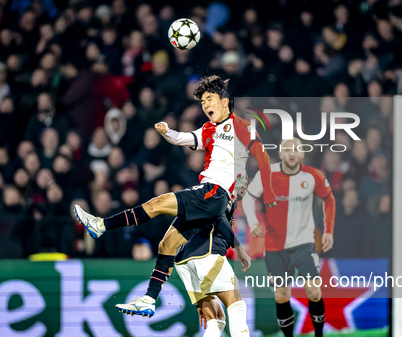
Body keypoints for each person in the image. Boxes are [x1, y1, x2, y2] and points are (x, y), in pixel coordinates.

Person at [75, 76, 276, 317]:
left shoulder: (241, 126)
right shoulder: (208, 129)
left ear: (225, 101)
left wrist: (270, 191)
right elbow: (183, 138)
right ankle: (149, 299)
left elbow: (262, 156)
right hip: (211, 200)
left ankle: (101, 225)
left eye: (209, 100)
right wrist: (167, 131)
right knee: (167, 244)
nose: (205, 106)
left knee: (157, 203)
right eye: (202, 102)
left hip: (214, 192)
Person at [242, 138, 336, 337]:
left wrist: (328, 231)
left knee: (313, 290)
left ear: (302, 154)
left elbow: (329, 200)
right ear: (280, 154)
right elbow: (248, 197)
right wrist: (253, 220)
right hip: (274, 246)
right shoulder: (268, 173)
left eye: (296, 149)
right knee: (281, 296)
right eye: (287, 149)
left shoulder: (313, 175)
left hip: (304, 243)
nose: (292, 153)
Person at [173, 182, 274, 337]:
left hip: (184, 259)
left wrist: (200, 298)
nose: (245, 187)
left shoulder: (211, 194)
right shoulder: (222, 195)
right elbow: (219, 220)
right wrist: (239, 248)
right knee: (237, 306)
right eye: (242, 182)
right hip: (207, 253)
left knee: (216, 318)